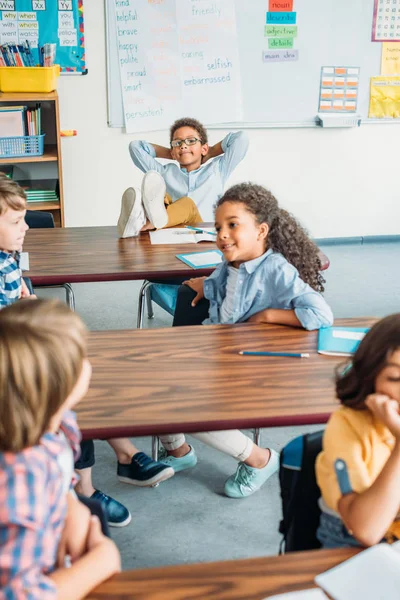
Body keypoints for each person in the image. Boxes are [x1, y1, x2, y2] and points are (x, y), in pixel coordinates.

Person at [0, 173, 173, 527]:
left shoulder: (8, 257)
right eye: (16, 221)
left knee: (84, 380)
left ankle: (124, 456)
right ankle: (87, 490)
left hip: (26, 351)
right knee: (70, 398)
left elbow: (20, 302)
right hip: (13, 367)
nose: (26, 228)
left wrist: (26, 301)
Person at [159, 182, 334, 499]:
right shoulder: (231, 263)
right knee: (156, 386)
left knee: (187, 406)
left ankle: (260, 460)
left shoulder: (276, 269)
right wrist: (204, 286)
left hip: (249, 364)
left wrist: (269, 316)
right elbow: (220, 294)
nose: (222, 234)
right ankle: (179, 451)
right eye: (218, 227)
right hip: (218, 348)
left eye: (232, 225)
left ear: (261, 230)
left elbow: (322, 315)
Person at [0, 298, 121, 599]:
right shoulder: (19, 479)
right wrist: (102, 561)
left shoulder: (56, 420)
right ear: (61, 385)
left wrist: (69, 505)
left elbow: (60, 468)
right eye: (82, 358)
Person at [316, 314, 400, 548]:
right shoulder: (347, 425)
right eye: (396, 378)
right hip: (352, 543)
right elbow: (366, 529)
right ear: (371, 379)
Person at [118, 117, 249, 237]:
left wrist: (209, 153)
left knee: (187, 204)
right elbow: (135, 147)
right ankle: (138, 220)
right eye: (177, 143)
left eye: (191, 141)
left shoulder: (217, 170)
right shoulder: (164, 172)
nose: (183, 145)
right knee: (158, 191)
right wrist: (175, 154)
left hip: (205, 232)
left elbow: (241, 139)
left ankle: (145, 223)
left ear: (204, 148)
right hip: (173, 232)